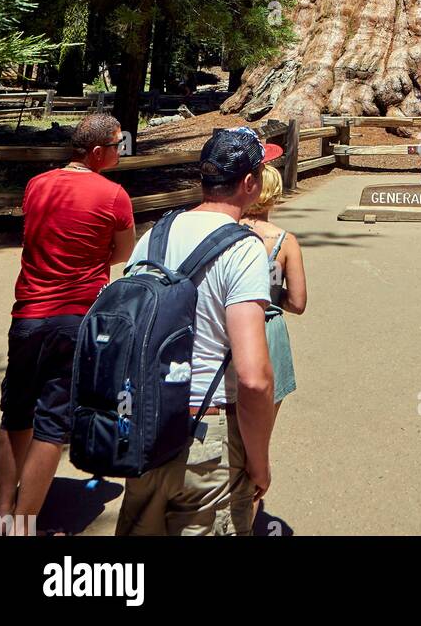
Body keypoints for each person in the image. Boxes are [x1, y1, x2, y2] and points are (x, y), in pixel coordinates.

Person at [115, 127, 275, 537]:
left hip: (144, 427)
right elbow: (253, 378)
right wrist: (259, 462)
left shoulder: (155, 236)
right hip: (204, 437)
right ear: (249, 182)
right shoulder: (243, 249)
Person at [0, 113, 135, 533]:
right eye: (117, 145)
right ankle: (24, 525)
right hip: (75, 319)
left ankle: (3, 514)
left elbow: (33, 235)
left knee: (15, 416)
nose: (121, 150)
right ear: (98, 152)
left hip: (28, 315)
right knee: (52, 426)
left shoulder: (37, 184)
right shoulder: (113, 195)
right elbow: (122, 253)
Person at [241, 163, 307, 422]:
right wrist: (272, 292)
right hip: (268, 327)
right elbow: (298, 302)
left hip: (229, 325)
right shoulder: (285, 241)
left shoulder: (227, 231)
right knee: (262, 423)